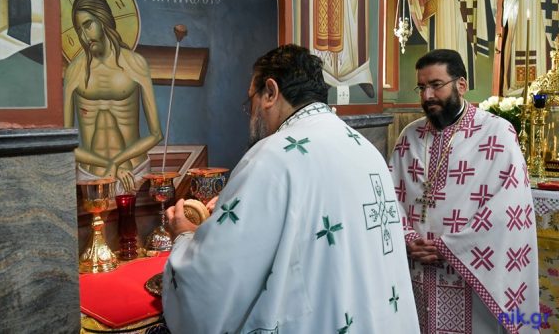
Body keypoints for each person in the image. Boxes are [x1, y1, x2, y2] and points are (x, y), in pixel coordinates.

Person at [162, 44, 420, 333]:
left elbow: (215, 281)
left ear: (270, 92)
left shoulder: (272, 156)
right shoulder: (366, 149)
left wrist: (184, 235)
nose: (251, 115)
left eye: (252, 101)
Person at [389, 49, 540, 333]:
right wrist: (407, 237)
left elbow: (509, 208)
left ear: (461, 84)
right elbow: (389, 195)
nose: (427, 96)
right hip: (417, 270)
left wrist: (451, 246)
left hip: (471, 274)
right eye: (421, 87)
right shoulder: (409, 135)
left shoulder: (495, 133)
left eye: (436, 85)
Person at [63, 0, 162, 193]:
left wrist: (116, 162)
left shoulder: (135, 64)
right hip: (92, 174)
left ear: (102, 19)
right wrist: (110, 166)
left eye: (88, 25)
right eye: (79, 30)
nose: (83, 36)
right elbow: (66, 143)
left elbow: (156, 134)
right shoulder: (75, 71)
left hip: (134, 171)